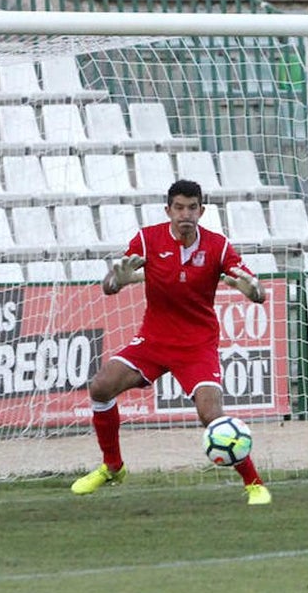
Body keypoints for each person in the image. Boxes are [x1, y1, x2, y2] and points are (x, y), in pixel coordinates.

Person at [70, 179, 272, 505]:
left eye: (192, 208)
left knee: (212, 415)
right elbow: (111, 284)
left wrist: (254, 290)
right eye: (179, 207)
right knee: (101, 386)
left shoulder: (218, 246)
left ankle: (254, 484)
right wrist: (116, 279)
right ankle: (112, 467)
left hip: (197, 345)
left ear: (201, 211)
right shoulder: (148, 240)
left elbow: (252, 286)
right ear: (168, 210)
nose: (185, 214)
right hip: (154, 339)